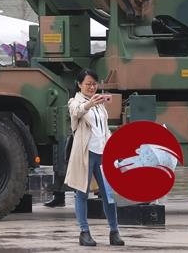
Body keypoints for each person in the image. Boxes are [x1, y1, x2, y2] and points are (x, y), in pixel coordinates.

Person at [67, 69, 124, 247]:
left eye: (94, 84)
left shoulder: (99, 103)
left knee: (109, 195)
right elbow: (76, 112)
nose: (92, 87)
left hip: (102, 153)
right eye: (88, 84)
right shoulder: (74, 101)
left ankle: (114, 232)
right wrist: (89, 104)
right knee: (81, 194)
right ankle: (84, 232)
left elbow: (104, 128)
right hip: (85, 154)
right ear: (79, 84)